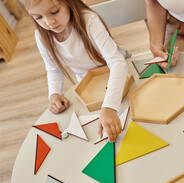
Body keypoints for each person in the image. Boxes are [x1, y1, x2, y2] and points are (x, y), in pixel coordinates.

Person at [20, 0, 129, 142]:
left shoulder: (89, 21)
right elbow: (53, 69)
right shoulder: (41, 36)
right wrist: (54, 94)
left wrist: (109, 107)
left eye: (54, 12)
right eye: (38, 17)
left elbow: (117, 62)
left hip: (121, 78)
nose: (49, 22)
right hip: (90, 88)